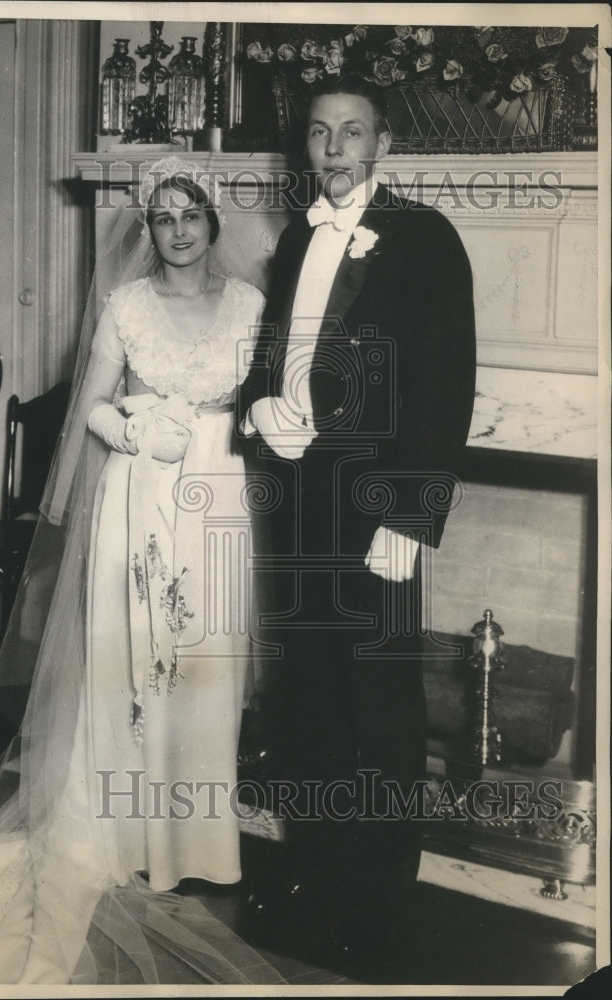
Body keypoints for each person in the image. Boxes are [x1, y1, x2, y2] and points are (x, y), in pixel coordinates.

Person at [0, 157, 282, 986]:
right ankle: (115, 837)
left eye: (191, 215)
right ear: (145, 228)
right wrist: (136, 431)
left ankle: (195, 843)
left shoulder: (252, 307)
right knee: (128, 666)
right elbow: (89, 409)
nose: (178, 230)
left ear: (214, 222)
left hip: (215, 498)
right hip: (137, 497)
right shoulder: (125, 305)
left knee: (203, 667)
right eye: (163, 217)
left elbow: (266, 403)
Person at [237, 76, 476, 975]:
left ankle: (377, 907)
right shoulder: (297, 236)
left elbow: (446, 381)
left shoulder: (423, 239)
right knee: (307, 700)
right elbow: (275, 356)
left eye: (351, 132)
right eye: (318, 132)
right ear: (305, 146)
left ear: (382, 145)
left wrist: (410, 515)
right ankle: (315, 874)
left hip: (375, 514)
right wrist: (259, 412)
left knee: (377, 708)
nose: (333, 148)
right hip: (295, 499)